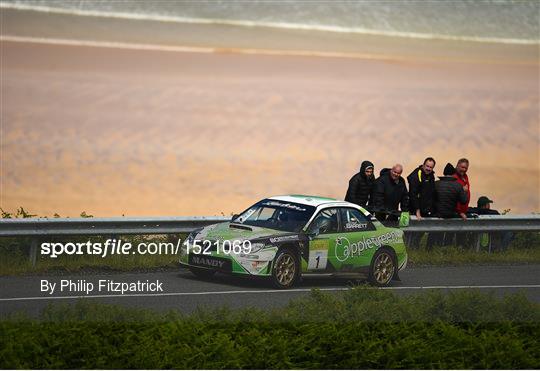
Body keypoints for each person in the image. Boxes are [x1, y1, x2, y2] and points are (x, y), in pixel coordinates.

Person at [428, 163, 468, 248]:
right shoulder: (458, 185)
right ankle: (446, 248)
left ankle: (429, 248)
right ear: (453, 173)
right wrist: (464, 191)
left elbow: (430, 199)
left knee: (434, 233)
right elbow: (464, 201)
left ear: (444, 173)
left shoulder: (436, 184)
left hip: (437, 214)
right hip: (451, 215)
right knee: (449, 233)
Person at [406, 157, 436, 248]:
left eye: (431, 167)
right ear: (423, 165)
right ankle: (409, 247)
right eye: (427, 166)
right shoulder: (416, 175)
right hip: (414, 208)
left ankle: (415, 247)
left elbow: (431, 193)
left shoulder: (431, 176)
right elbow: (413, 194)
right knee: (411, 230)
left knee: (421, 230)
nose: (428, 169)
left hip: (426, 208)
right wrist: (417, 210)